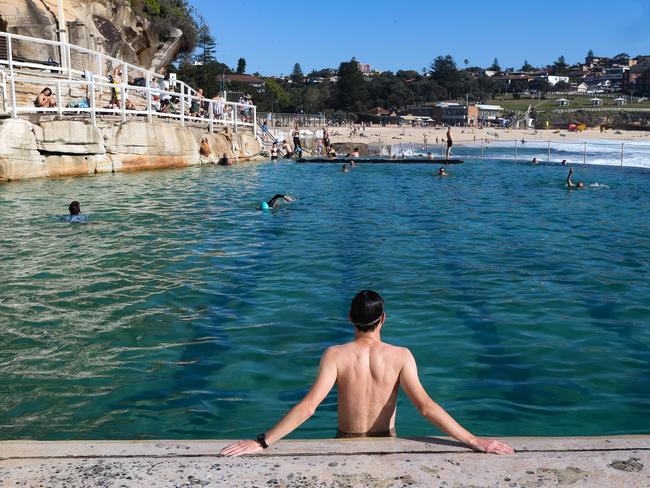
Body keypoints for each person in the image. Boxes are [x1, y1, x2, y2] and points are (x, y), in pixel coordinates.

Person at [221, 290, 515, 457]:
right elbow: (426, 408)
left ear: (350, 318)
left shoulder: (335, 356)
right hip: (387, 445)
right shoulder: (401, 356)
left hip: (344, 444)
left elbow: (308, 407)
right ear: (383, 319)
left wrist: (261, 442)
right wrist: (475, 441)